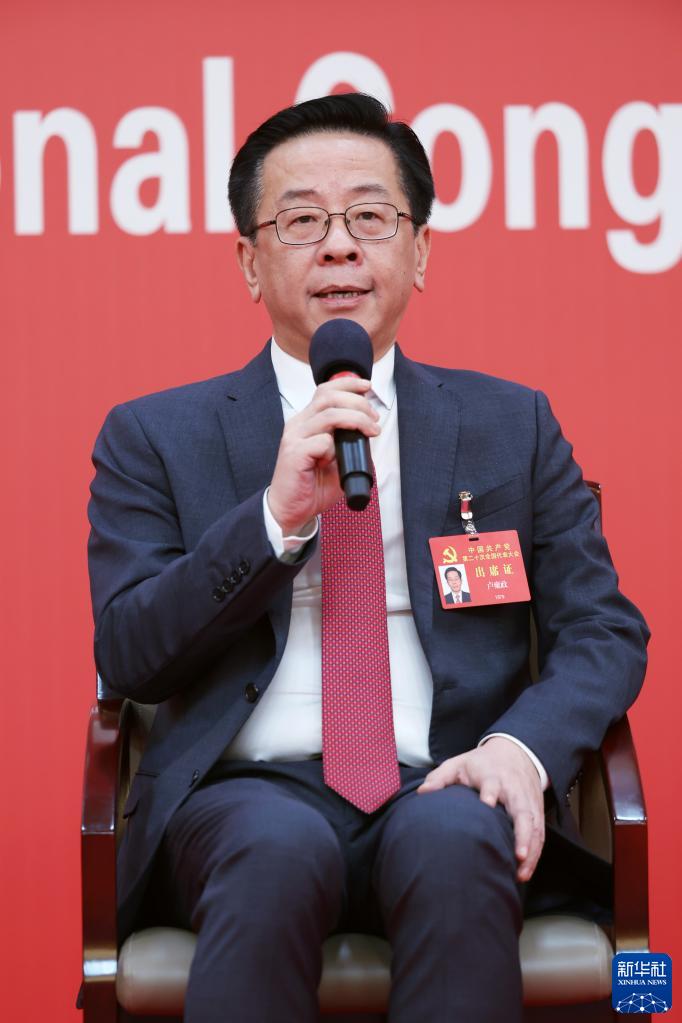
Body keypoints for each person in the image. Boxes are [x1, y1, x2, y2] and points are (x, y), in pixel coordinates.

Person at [87, 93, 649, 1023]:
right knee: (273, 851)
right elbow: (130, 653)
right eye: (302, 221)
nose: (340, 247)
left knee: (454, 839)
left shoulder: (512, 424)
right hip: (244, 796)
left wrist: (517, 752)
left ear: (419, 252)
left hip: (449, 777)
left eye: (371, 218)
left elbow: (603, 630)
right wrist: (272, 520)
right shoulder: (154, 435)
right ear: (249, 261)